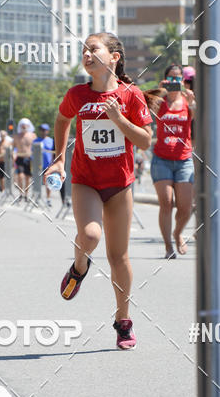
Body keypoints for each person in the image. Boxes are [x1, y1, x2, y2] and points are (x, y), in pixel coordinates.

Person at [44, 31, 157, 350]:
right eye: (84, 50)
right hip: (86, 180)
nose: (86, 54)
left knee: (118, 257)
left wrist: (119, 119)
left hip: (120, 185)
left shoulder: (131, 95)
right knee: (91, 235)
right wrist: (58, 160)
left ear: (114, 57)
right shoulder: (77, 94)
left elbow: (145, 141)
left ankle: (123, 320)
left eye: (93, 49)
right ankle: (79, 267)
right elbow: (62, 119)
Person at [149, 64, 196, 258]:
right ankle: (168, 246)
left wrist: (192, 102)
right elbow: (146, 110)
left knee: (185, 207)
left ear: (183, 81)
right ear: (165, 79)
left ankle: (177, 233)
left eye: (178, 78)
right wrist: (159, 92)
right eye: (171, 78)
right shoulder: (160, 101)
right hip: (162, 159)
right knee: (166, 203)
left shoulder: (187, 100)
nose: (174, 81)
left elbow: (198, 117)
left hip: (184, 159)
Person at [13, 117, 35, 201]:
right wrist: (13, 154)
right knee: (20, 176)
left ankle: (26, 194)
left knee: (27, 177)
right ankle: (20, 193)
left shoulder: (32, 135)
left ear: (28, 126)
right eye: (22, 125)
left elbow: (36, 147)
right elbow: (13, 147)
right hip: (19, 158)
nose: (24, 127)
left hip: (28, 158)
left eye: (25, 125)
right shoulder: (16, 136)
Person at [36, 123, 55, 206]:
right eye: (41, 130)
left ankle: (48, 199)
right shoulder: (35, 141)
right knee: (37, 182)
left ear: (47, 131)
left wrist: (53, 163)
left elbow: (54, 153)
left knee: (48, 182)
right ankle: (37, 198)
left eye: (44, 130)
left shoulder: (51, 141)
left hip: (48, 165)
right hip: (38, 165)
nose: (42, 131)